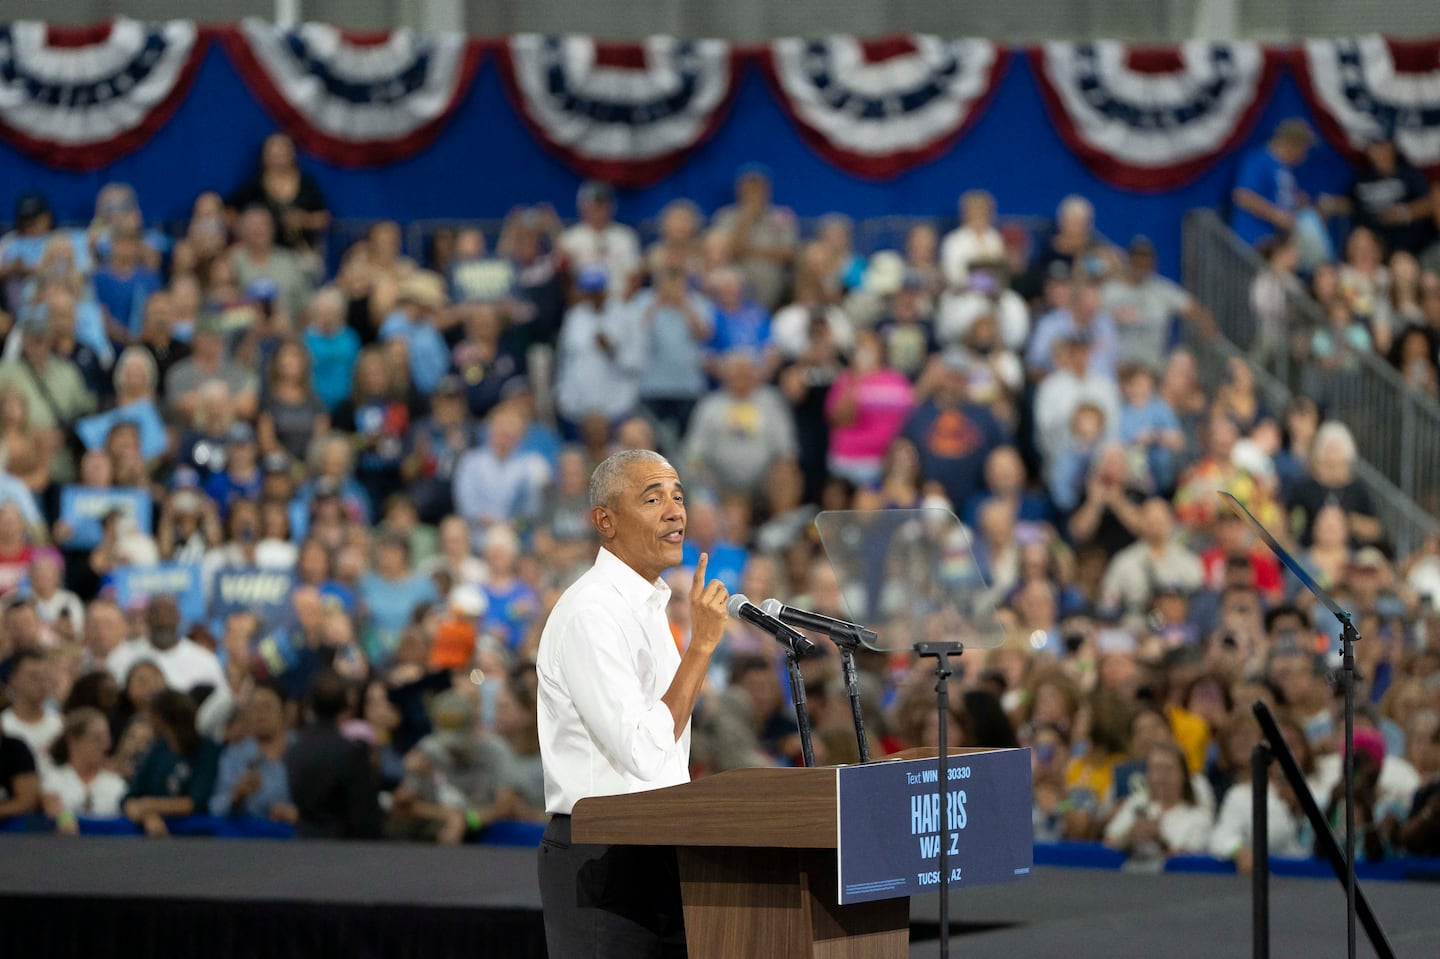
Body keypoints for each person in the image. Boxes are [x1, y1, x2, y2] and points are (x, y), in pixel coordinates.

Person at [536, 449, 730, 958]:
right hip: (603, 861)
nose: (675, 511)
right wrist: (702, 647)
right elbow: (643, 751)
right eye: (653, 498)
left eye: (679, 497)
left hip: (661, 849)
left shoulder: (649, 607)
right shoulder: (591, 613)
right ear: (606, 521)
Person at [285, 669, 383, 839]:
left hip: (301, 844)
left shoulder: (293, 749)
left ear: (310, 703)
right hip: (342, 850)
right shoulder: (352, 753)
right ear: (346, 704)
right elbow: (365, 818)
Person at [124, 689, 221, 837]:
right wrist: (147, 816)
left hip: (196, 837)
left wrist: (151, 805)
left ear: (161, 718)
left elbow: (196, 802)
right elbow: (130, 798)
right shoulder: (157, 749)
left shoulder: (206, 750)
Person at [210, 682, 297, 824]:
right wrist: (236, 796)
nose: (260, 715)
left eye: (267, 707)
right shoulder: (234, 755)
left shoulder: (301, 749)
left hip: (299, 839)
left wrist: (299, 814)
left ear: (284, 711)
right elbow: (215, 807)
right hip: (249, 839)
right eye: (254, 709)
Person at [43, 707, 127, 830]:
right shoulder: (54, 778)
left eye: (107, 738)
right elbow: (51, 803)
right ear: (73, 740)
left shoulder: (117, 784)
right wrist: (63, 818)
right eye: (97, 738)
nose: (106, 745)